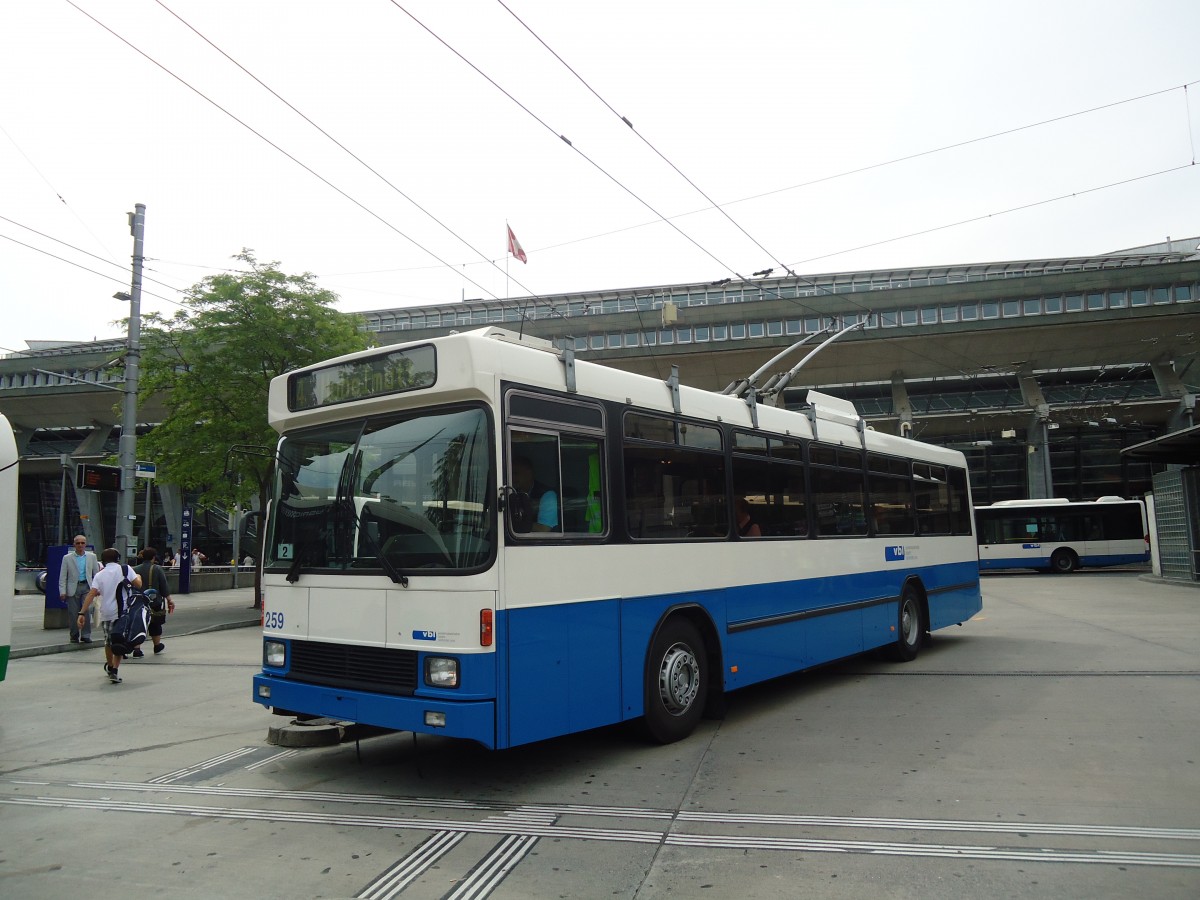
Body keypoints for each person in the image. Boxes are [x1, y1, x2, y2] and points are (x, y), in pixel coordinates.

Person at [78, 548, 142, 684]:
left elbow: (91, 594)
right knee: (119, 640)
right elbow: (138, 584)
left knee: (108, 641)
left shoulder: (100, 575)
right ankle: (115, 670)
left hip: (106, 612)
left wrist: (82, 613)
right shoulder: (125, 569)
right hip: (123, 612)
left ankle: (110, 666)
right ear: (118, 558)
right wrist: (139, 577)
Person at [132, 546, 175, 657]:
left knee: (139, 624)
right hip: (154, 601)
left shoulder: (135, 569)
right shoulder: (157, 568)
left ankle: (137, 649)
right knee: (155, 623)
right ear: (153, 557)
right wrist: (169, 599)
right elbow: (163, 585)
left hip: (138, 601)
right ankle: (157, 645)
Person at [58, 535, 100, 643]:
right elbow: (63, 576)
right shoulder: (67, 558)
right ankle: (74, 635)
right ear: (74, 545)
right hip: (73, 587)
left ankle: (86, 635)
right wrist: (62, 591)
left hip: (87, 586)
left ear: (85, 544)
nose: (80, 545)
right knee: (73, 613)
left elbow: (96, 574)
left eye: (82, 543)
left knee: (86, 610)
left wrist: (98, 588)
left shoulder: (92, 557)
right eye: (78, 543)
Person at [512, 455, 559, 532]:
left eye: (516, 473)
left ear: (529, 473)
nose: (513, 478)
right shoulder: (512, 493)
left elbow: (544, 529)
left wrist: (512, 525)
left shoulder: (548, 495)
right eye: (511, 474)